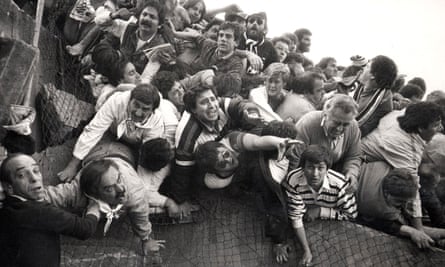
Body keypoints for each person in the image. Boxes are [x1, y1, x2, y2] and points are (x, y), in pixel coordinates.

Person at [195, 121, 301, 264]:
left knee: (268, 186)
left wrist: (279, 241)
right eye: (222, 164)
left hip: (257, 142)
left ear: (224, 147)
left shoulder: (232, 141)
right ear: (215, 171)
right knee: (235, 191)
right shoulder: (212, 182)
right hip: (239, 176)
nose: (229, 160)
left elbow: (257, 142)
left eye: (226, 154)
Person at [160, 86, 262, 217]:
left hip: (223, 144)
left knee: (253, 127)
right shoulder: (187, 135)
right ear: (193, 110)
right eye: (204, 102)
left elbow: (243, 105)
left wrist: (251, 114)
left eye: (212, 99)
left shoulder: (219, 103)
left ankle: (240, 179)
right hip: (204, 164)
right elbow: (182, 171)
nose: (212, 105)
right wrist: (181, 200)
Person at [0, 154, 99, 267]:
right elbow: (84, 229)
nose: (34, 178)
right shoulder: (39, 212)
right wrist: (94, 209)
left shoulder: (6, 208)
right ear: (9, 187)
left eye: (36, 170)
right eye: (21, 175)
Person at [361, 102, 444, 229]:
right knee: (405, 187)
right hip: (362, 165)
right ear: (421, 128)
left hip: (367, 155)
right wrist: (419, 228)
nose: (441, 128)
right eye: (436, 125)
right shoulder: (406, 149)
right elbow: (414, 188)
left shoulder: (404, 114)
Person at [58, 84, 164, 182]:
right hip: (111, 131)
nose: (138, 112)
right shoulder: (117, 101)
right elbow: (94, 130)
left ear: (153, 111)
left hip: (136, 144)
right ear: (130, 100)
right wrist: (72, 165)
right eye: (136, 105)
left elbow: (146, 155)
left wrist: (138, 185)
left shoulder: (157, 124)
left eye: (145, 109)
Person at [283, 145, 358, 266]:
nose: (315, 174)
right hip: (305, 223)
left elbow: (351, 215)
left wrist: (320, 211)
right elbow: (296, 216)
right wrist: (306, 250)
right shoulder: (293, 180)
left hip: (333, 228)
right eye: (310, 167)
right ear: (302, 167)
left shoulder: (341, 184)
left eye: (320, 168)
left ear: (327, 168)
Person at [357, 168, 445, 249]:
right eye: (400, 202)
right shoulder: (380, 208)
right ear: (387, 194)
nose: (403, 205)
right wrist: (412, 231)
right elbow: (390, 226)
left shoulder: (385, 167)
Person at [294, 94, 362, 192]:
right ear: (325, 115)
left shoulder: (353, 126)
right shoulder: (307, 124)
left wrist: (352, 173)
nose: (339, 128)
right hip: (307, 175)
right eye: (336, 122)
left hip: (333, 173)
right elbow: (295, 160)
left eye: (345, 124)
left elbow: (354, 156)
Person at [353, 55, 398, 137]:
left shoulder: (383, 102)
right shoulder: (359, 88)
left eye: (367, 67)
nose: (362, 69)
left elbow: (361, 131)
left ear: (373, 75)